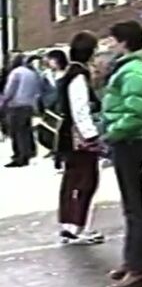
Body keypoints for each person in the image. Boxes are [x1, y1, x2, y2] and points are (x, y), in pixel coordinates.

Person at [102, 20, 142, 287]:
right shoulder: (132, 68)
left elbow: (137, 112)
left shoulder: (133, 72)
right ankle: (131, 261)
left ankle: (138, 269)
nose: (109, 45)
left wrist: (113, 132)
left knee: (136, 207)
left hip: (131, 142)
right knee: (131, 206)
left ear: (123, 42)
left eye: (112, 40)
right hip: (130, 141)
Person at [55, 32, 105, 245]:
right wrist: (92, 135)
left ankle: (69, 225)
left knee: (72, 180)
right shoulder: (79, 76)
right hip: (79, 138)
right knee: (85, 181)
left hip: (68, 136)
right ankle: (76, 226)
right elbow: (80, 109)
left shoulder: (68, 73)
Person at [0, 54, 43, 167]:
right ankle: (28, 153)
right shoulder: (32, 73)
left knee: (16, 132)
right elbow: (38, 89)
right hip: (29, 105)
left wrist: (3, 103)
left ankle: (19, 156)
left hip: (16, 105)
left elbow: (9, 91)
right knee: (25, 131)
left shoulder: (16, 73)